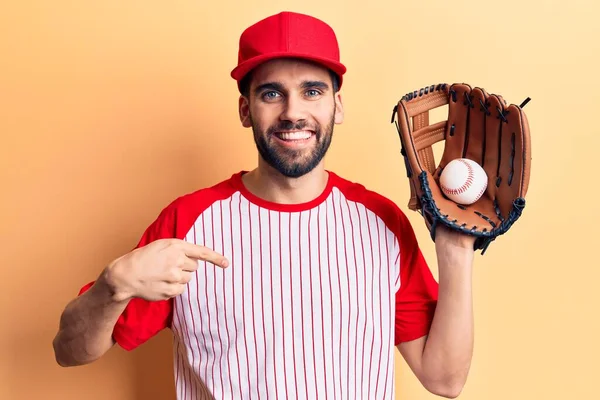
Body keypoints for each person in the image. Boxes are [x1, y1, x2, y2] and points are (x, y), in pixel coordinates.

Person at [53, 11, 475, 399]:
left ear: (337, 105)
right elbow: (70, 351)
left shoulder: (383, 222)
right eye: (272, 93)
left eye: (312, 91)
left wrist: (455, 249)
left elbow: (444, 378)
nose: (293, 112)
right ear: (245, 109)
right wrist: (112, 287)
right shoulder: (188, 222)